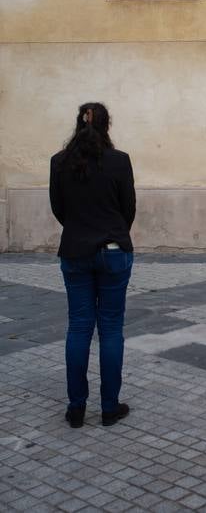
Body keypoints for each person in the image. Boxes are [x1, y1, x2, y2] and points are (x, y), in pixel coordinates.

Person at [49, 103, 136, 427]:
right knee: (111, 329)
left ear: (78, 124)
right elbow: (128, 208)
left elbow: (59, 208)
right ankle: (110, 408)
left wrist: (80, 230)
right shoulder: (119, 161)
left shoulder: (59, 162)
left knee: (79, 327)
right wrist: (112, 230)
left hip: (74, 251)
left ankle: (76, 409)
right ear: (107, 125)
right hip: (113, 250)